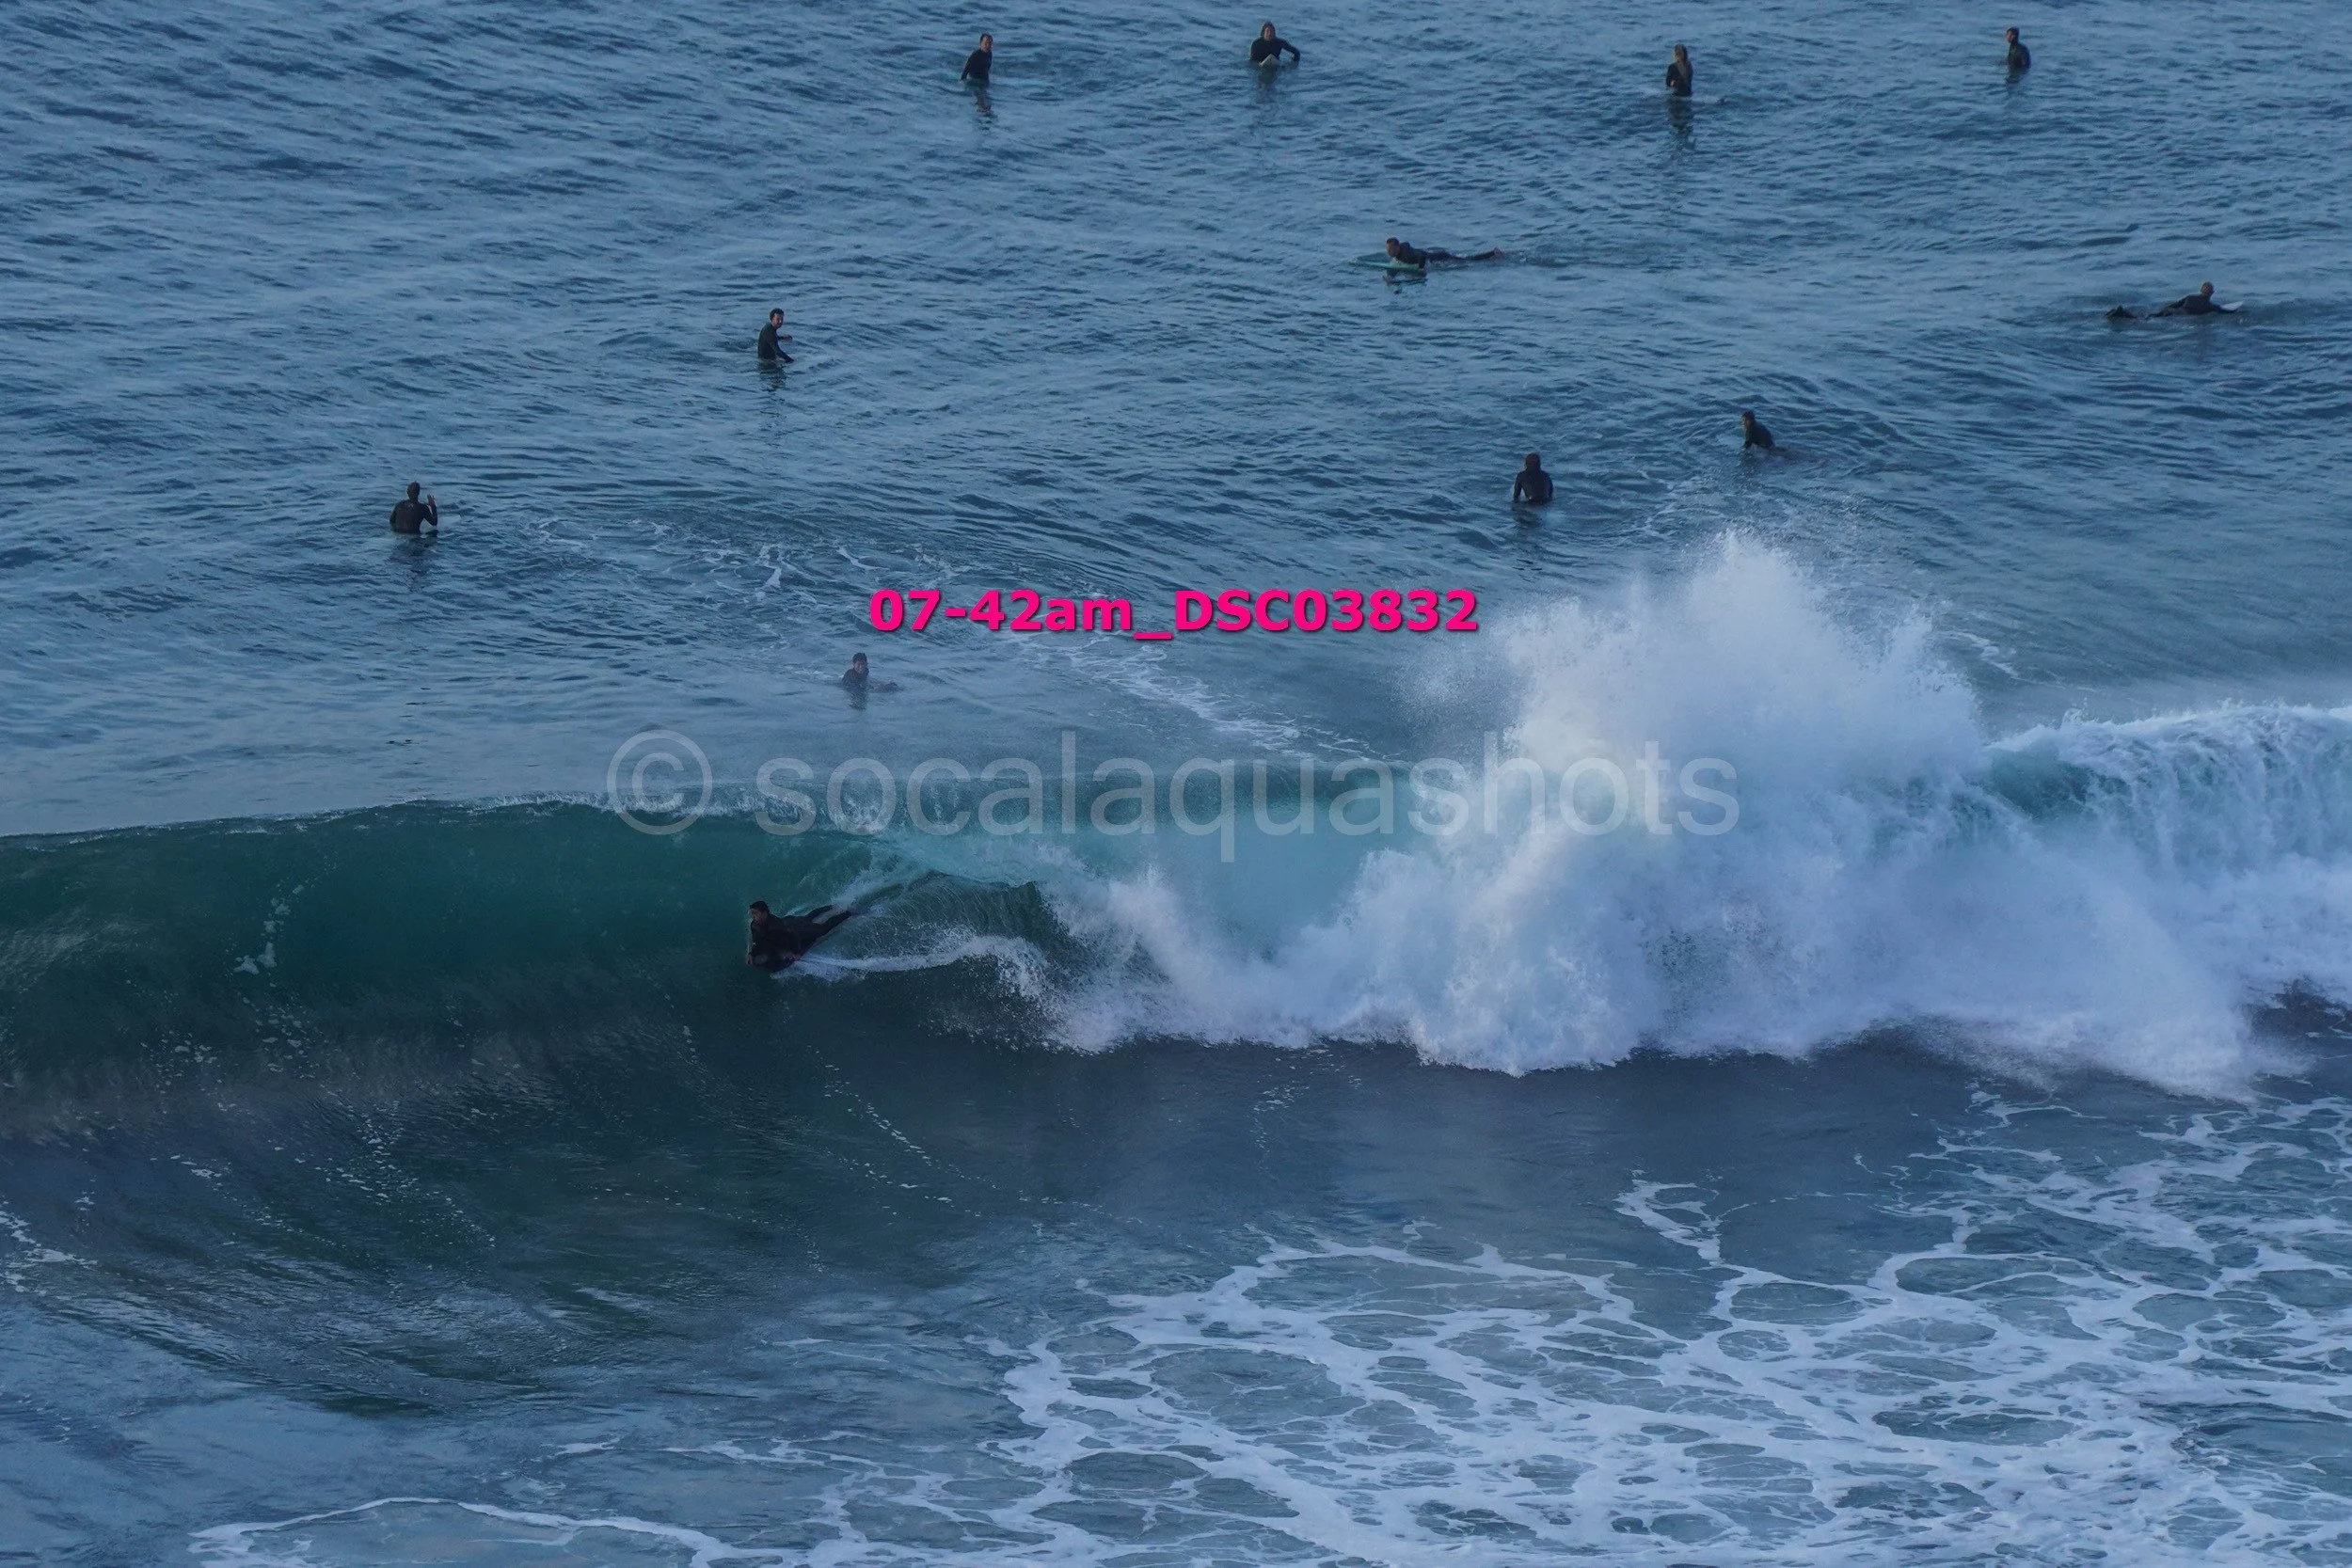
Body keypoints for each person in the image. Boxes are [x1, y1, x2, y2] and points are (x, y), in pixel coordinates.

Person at [746, 901, 857, 973]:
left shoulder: (775, 926)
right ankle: (832, 906)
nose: (753, 916)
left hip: (797, 930)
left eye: (755, 913)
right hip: (788, 921)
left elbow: (793, 937)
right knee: (807, 917)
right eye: (752, 914)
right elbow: (756, 940)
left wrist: (796, 953)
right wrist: (751, 953)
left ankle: (848, 913)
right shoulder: (755, 925)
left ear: (764, 913)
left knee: (822, 929)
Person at [1384, 237, 1503, 267]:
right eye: (1387, 249)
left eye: (1390, 249)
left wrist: (1420, 269)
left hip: (1440, 257)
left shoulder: (1406, 253)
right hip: (1436, 255)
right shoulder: (1401, 252)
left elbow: (1420, 256)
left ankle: (1493, 253)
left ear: (1396, 247)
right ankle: (1493, 253)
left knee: (1468, 260)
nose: (1388, 252)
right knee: (1466, 259)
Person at [2153, 281, 2222, 317]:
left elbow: (2173, 305)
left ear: (2200, 290)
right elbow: (2224, 311)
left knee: (2158, 315)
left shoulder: (2190, 297)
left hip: (2175, 311)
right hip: (2183, 316)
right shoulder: (2210, 306)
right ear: (2212, 292)